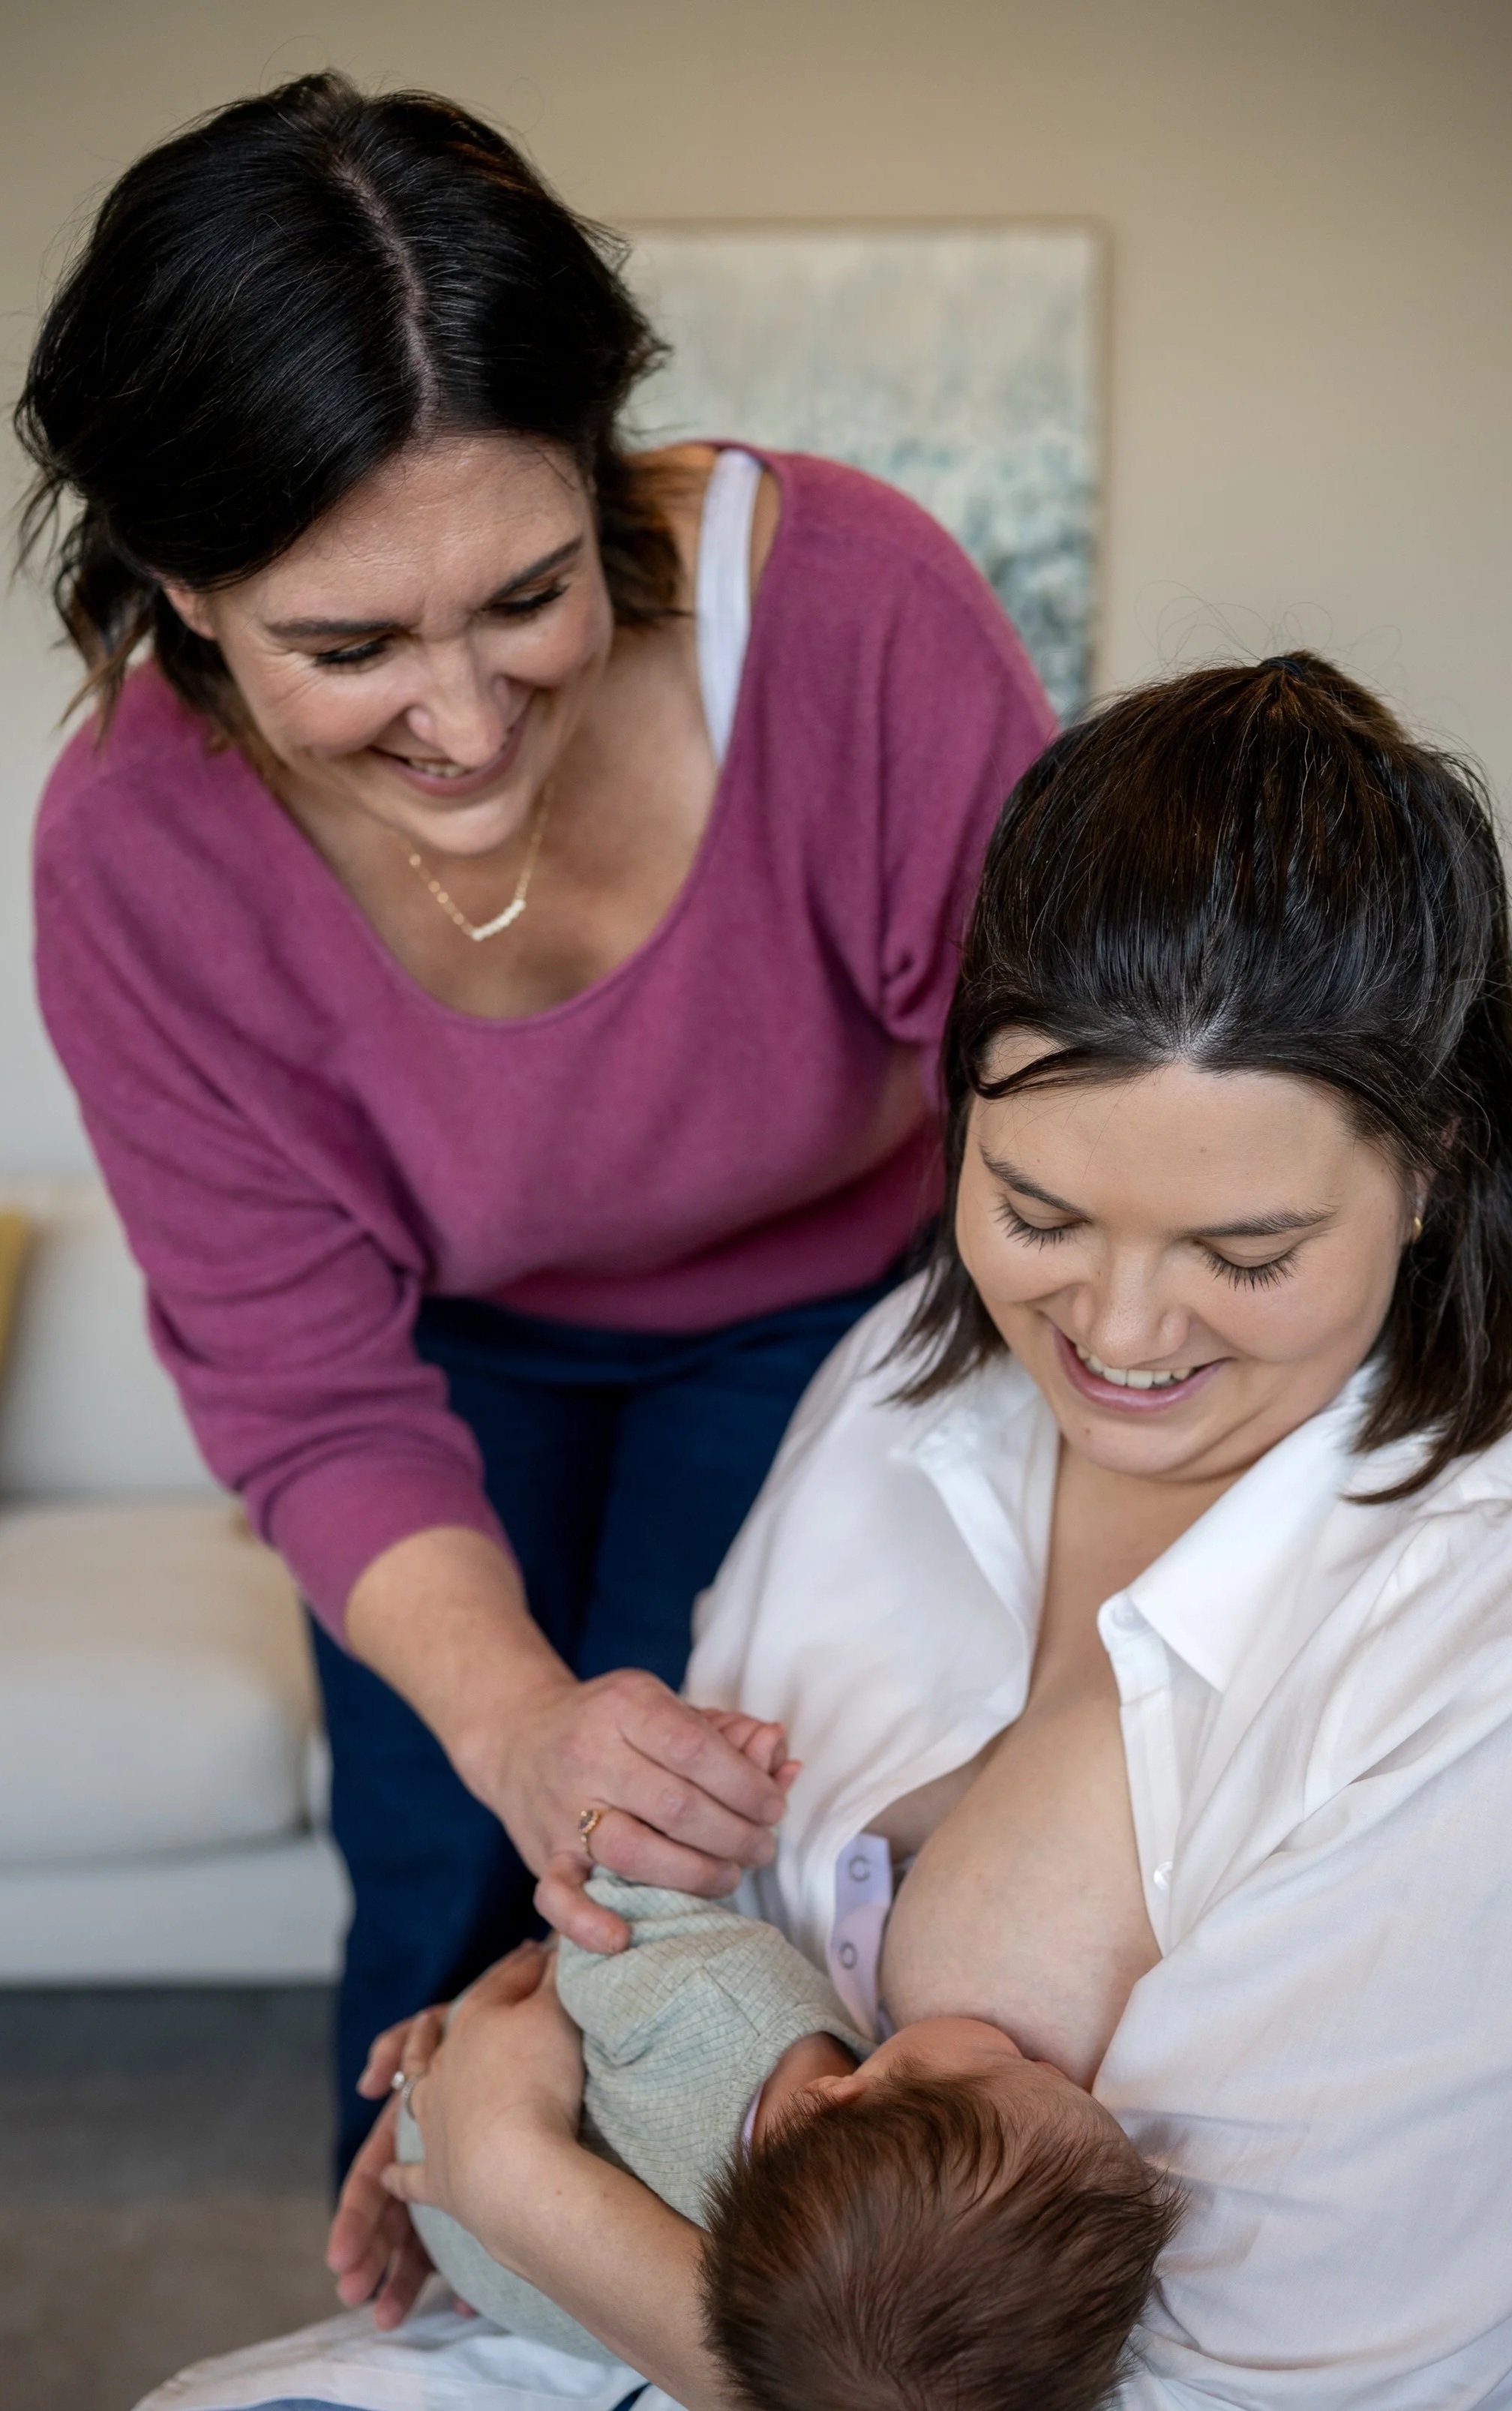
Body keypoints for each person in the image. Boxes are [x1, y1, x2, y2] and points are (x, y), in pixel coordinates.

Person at [340, 656, 1512, 2411]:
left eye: (1245, 1255)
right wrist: (562, 2019)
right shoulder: (911, 1384)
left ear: (1438, 1167)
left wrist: (537, 2198)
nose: (1124, 1332)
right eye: (1036, 1210)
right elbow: (712, 1889)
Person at [17, 74, 1053, 2166]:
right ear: (179, 586)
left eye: (522, 595)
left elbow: (1053, 1119)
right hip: (441, 1349)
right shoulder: (134, 849)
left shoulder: (850, 614)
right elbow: (302, 1378)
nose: (467, 718)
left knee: (711, 1861)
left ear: (600, 476)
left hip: (831, 1310)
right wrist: (502, 1719)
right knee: (440, 1869)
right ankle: (418, 2328)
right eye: (346, 643)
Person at [395, 1734, 1172, 2411]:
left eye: (1017, 2062)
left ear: (837, 2099)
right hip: (478, 2242)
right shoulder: (794, 2303)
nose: (1041, 2053)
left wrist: (680, 1824)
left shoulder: (721, 1997)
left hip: (448, 2113)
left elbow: (603, 1916)